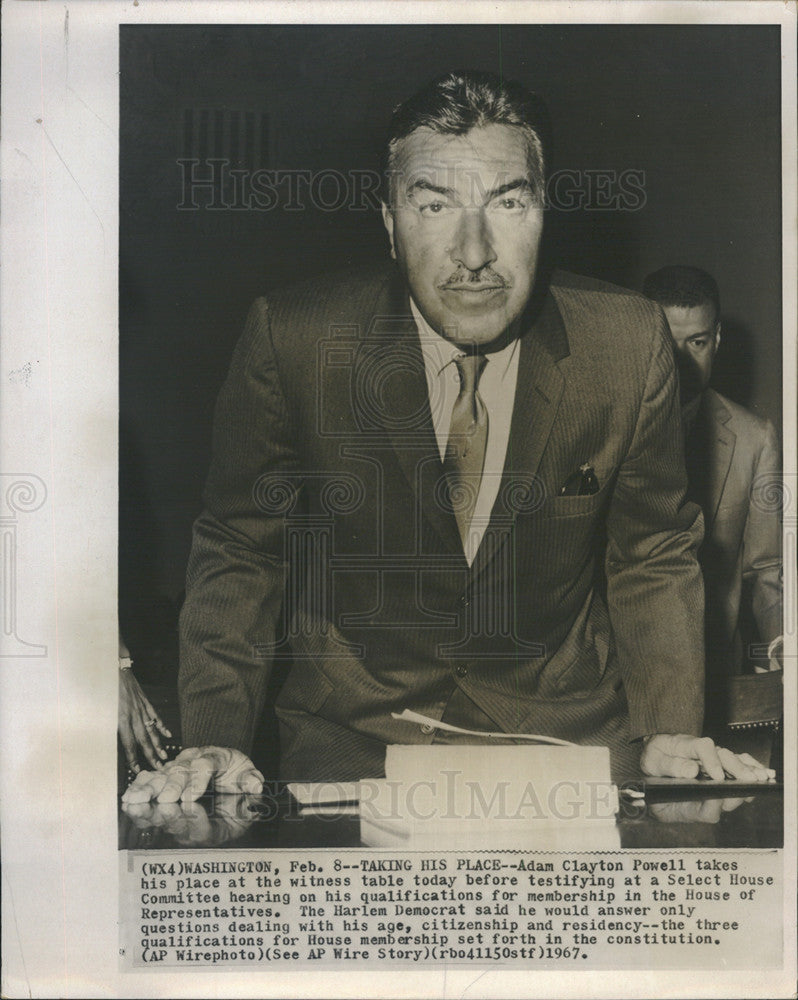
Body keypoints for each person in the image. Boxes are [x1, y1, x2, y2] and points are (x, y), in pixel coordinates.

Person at [124, 71, 772, 805]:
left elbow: (652, 553)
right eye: (434, 204)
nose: (473, 253)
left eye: (508, 203)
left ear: (543, 211)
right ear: (390, 220)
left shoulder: (628, 343)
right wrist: (217, 735)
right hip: (351, 745)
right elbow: (243, 549)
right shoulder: (294, 338)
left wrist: (669, 727)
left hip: (570, 742)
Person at [643, 265, 783, 731]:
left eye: (697, 343)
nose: (682, 361)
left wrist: (787, 654)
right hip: (614, 684)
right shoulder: (603, 425)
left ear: (717, 339)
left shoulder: (753, 437)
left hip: (716, 686)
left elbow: (767, 573)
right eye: (668, 342)